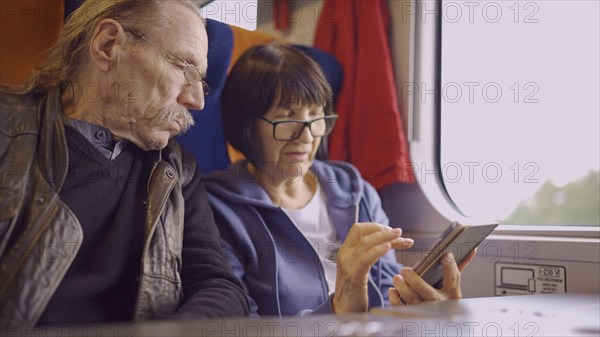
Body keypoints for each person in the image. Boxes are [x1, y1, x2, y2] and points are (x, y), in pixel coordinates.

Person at [0, 0, 249, 326]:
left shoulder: (178, 173)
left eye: (200, 81)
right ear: (107, 46)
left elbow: (219, 285)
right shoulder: (8, 130)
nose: (197, 102)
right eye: (183, 67)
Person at [205, 43, 475, 316]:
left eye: (315, 115)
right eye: (285, 117)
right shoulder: (218, 211)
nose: (307, 136)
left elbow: (386, 299)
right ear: (246, 125)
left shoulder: (357, 193)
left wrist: (423, 311)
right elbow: (239, 326)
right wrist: (337, 310)